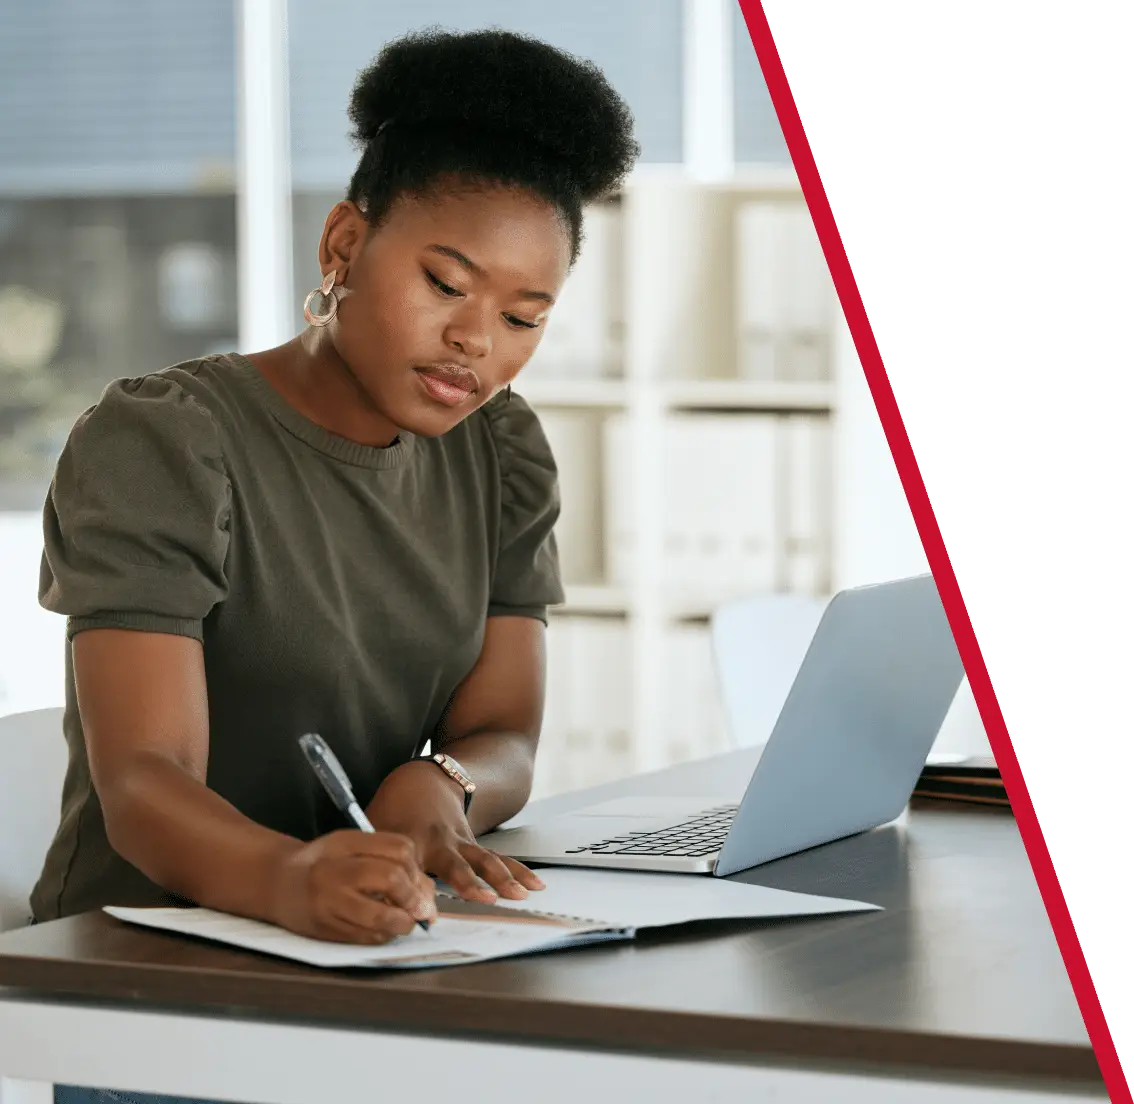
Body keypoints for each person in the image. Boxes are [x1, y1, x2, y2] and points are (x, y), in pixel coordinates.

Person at [39, 26, 638, 1104]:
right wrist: (285, 874)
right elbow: (141, 783)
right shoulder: (166, 442)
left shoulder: (500, 454)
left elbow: (502, 733)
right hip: (156, 982)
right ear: (344, 242)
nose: (476, 343)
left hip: (373, 955)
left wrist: (436, 784)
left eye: (521, 318)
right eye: (446, 283)